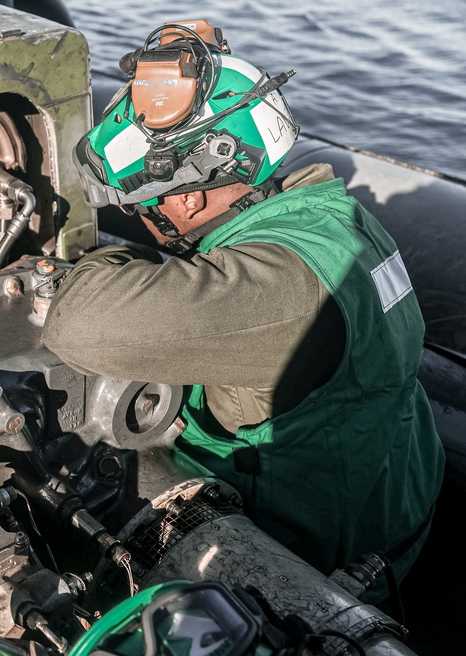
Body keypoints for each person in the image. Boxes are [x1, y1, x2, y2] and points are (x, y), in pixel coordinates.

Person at [42, 21, 444, 592]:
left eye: (144, 207)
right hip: (388, 490)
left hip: (325, 554)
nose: (144, 221)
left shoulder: (280, 288)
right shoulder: (328, 218)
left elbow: (76, 323)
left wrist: (110, 266)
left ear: (191, 194)